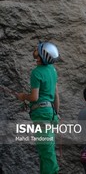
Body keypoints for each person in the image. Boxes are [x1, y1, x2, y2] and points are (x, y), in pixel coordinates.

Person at [16, 42, 60, 174]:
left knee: (46, 153)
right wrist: (56, 114)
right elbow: (56, 95)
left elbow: (34, 97)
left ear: (41, 56)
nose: (34, 50)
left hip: (41, 114)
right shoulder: (52, 70)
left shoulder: (36, 72)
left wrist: (23, 96)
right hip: (50, 113)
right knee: (44, 151)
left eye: (37, 50)